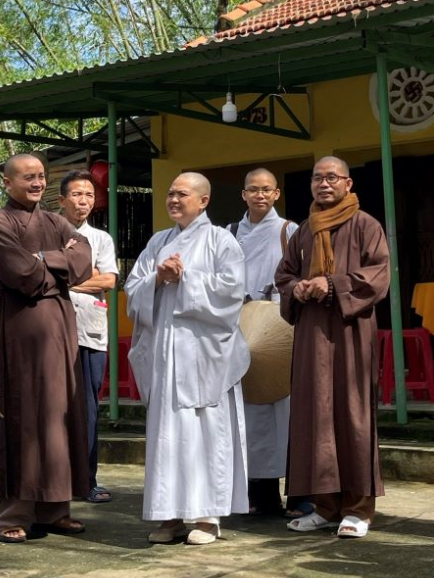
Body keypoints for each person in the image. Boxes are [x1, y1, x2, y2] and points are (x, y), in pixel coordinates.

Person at [126, 172, 251, 544]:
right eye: (170, 193)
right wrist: (158, 279)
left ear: (203, 201)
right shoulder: (158, 241)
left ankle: (206, 517)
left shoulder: (221, 241)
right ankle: (170, 516)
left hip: (203, 354)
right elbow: (133, 289)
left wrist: (187, 278)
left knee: (205, 432)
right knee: (167, 433)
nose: (174, 200)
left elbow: (232, 294)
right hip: (166, 352)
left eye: (182, 194)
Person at [0, 153, 94, 543]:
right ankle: (15, 512)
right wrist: (57, 271)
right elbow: (19, 273)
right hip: (22, 326)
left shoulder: (55, 220)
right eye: (28, 177)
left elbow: (84, 260)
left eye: (42, 176)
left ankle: (55, 508)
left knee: (60, 413)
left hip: (61, 325)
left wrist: (45, 258)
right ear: (7, 183)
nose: (37, 183)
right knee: (24, 413)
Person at [277, 156, 391, 539]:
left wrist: (333, 285)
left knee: (352, 413)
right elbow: (285, 274)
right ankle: (325, 507)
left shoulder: (365, 225)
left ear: (348, 183)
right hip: (311, 331)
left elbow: (378, 275)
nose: (323, 184)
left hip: (350, 330)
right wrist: (298, 288)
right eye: (317, 178)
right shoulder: (305, 230)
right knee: (315, 415)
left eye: (331, 178)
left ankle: (359, 509)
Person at [228, 167, 302, 517]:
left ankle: (299, 493)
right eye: (253, 189)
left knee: (287, 410)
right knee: (250, 411)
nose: (259, 195)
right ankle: (260, 494)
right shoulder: (228, 234)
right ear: (243, 194)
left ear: (276, 194)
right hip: (241, 326)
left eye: (266, 190)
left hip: (279, 324)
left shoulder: (290, 231)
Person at [57, 169, 119, 503]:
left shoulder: (101, 239)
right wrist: (86, 276)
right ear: (62, 199)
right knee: (56, 405)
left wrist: (65, 280)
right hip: (55, 328)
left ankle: (87, 479)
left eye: (90, 195)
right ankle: (58, 481)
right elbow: (39, 272)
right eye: (78, 194)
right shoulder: (48, 232)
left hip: (90, 330)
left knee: (89, 406)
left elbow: (108, 281)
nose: (84, 201)